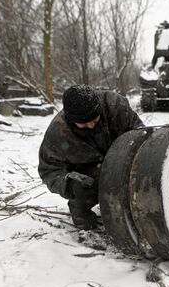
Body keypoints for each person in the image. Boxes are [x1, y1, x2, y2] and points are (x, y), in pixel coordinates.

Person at [38, 84, 144, 230]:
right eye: (83, 123)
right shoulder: (57, 132)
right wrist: (69, 185)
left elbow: (140, 134)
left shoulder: (115, 105)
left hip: (123, 158)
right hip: (89, 172)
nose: (91, 125)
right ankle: (81, 208)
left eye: (94, 120)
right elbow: (48, 170)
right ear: (70, 119)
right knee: (82, 199)